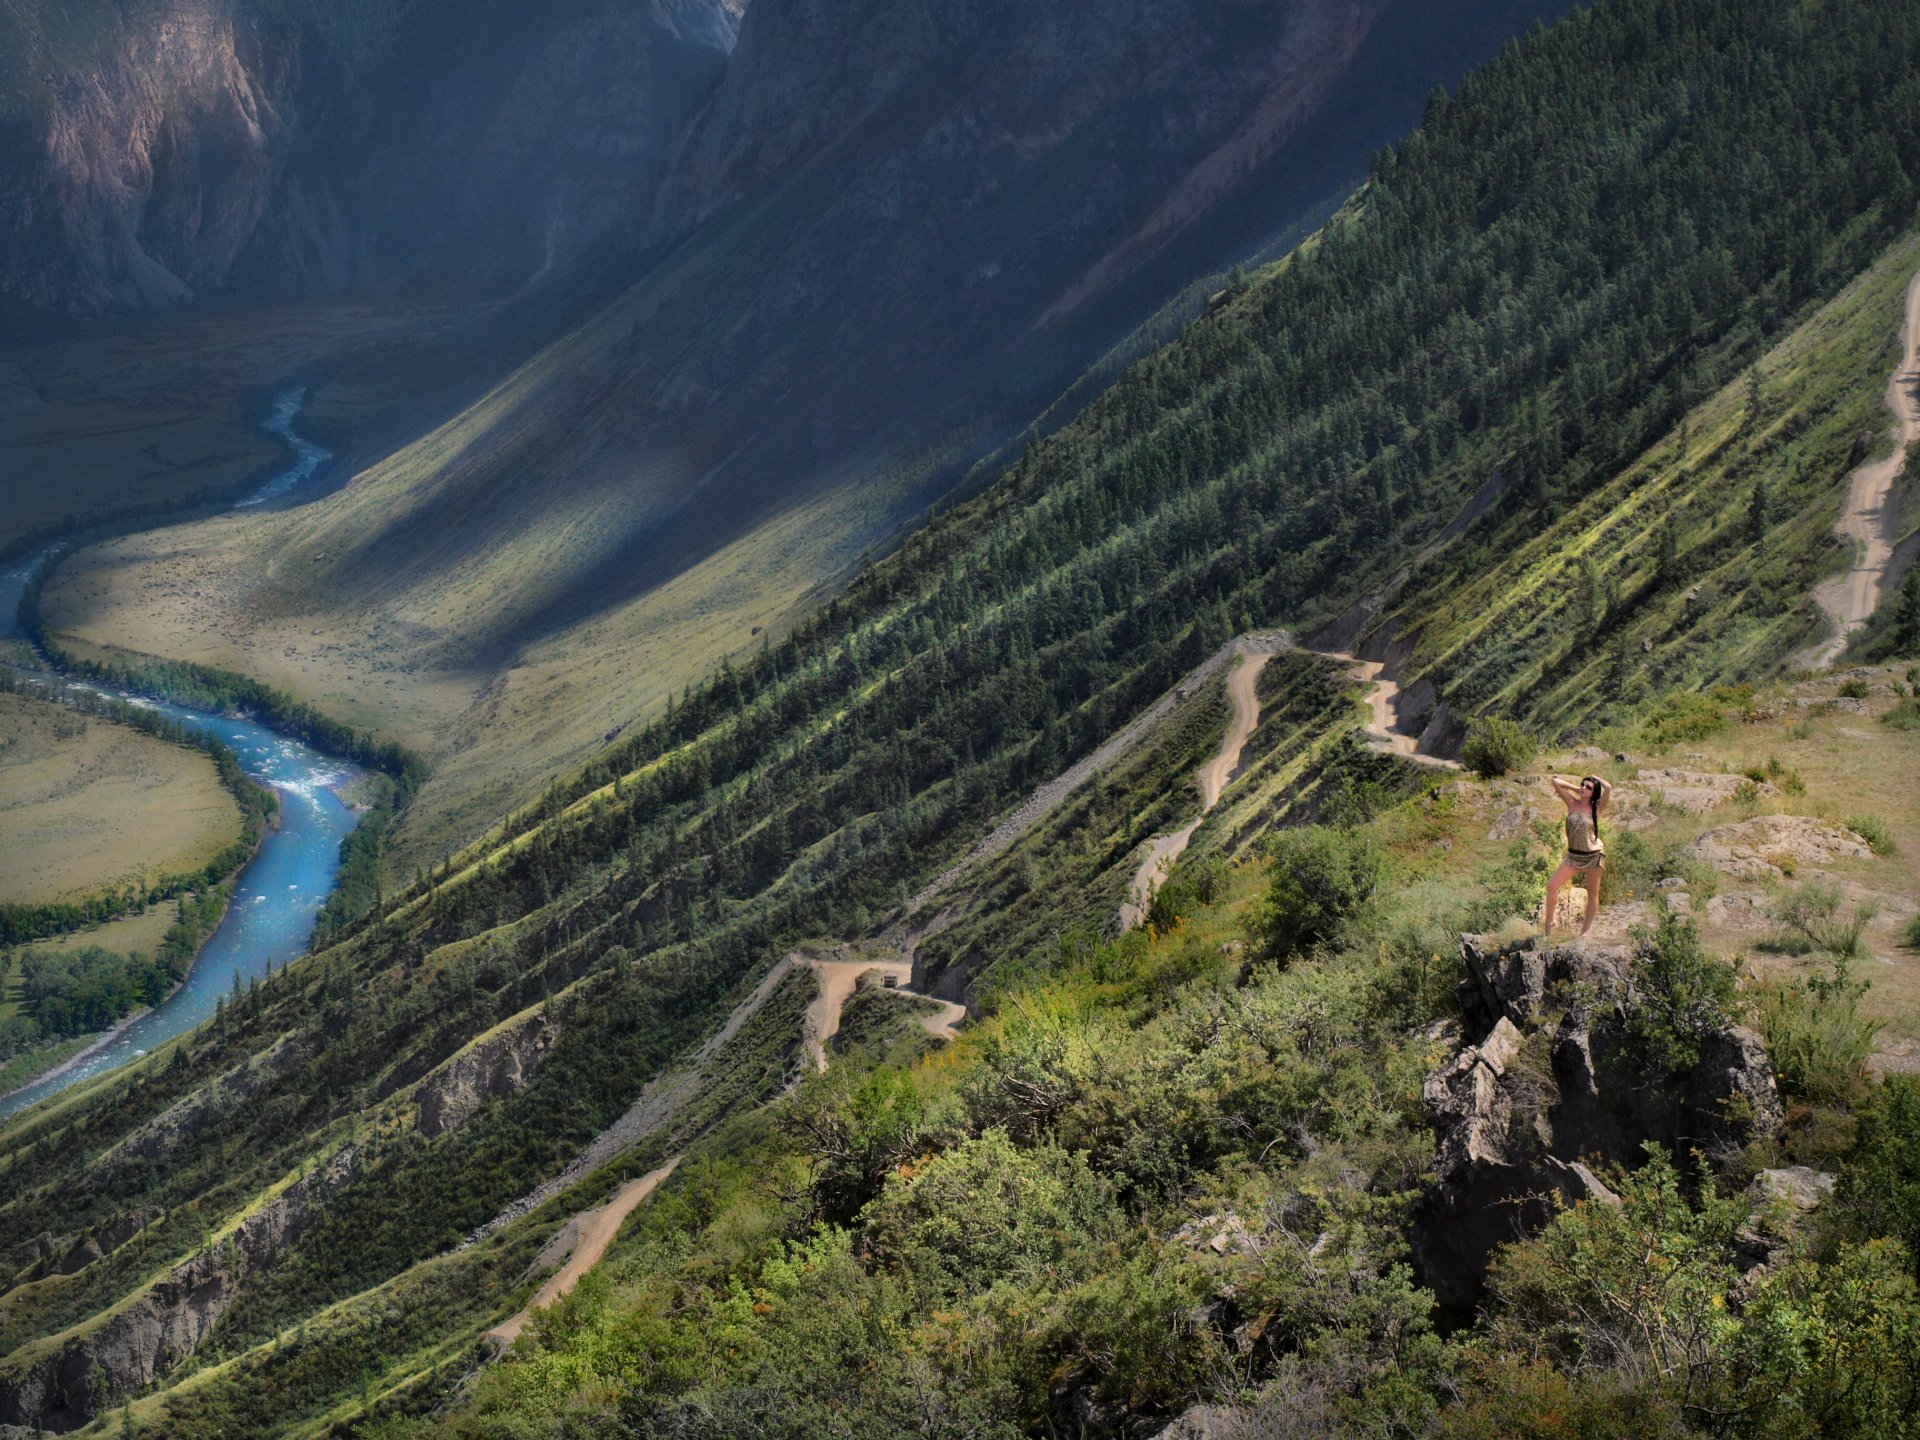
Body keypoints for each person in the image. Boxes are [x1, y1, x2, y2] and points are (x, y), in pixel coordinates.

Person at [1542, 773, 1612, 937]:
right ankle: (1549, 922)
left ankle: (1585, 932)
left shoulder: (1597, 808)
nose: (1583, 788)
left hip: (1593, 855)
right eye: (1583, 785)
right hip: (1573, 856)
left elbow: (1608, 788)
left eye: (1588, 787)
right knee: (1552, 885)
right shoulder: (1571, 803)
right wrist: (1576, 788)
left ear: (1594, 792)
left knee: (1593, 893)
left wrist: (1597, 778)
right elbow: (1555, 782)